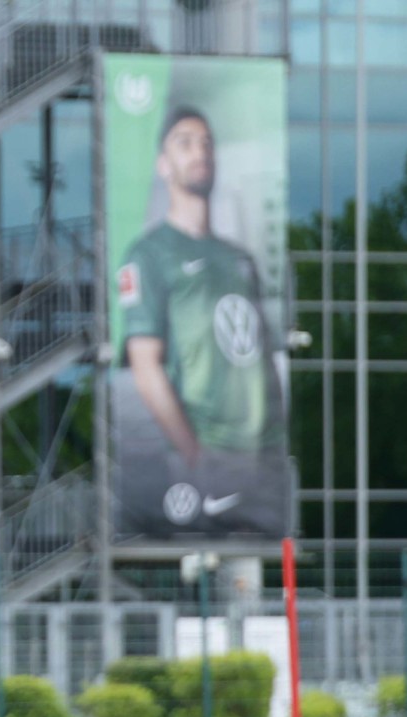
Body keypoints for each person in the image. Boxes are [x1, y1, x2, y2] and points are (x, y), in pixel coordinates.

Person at [116, 102, 287, 535]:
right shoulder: (149, 254)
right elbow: (144, 363)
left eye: (207, 144)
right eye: (185, 143)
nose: (200, 153)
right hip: (209, 456)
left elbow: (259, 353)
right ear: (163, 165)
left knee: (261, 568)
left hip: (262, 455)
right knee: (204, 561)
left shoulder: (238, 258)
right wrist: (192, 451)